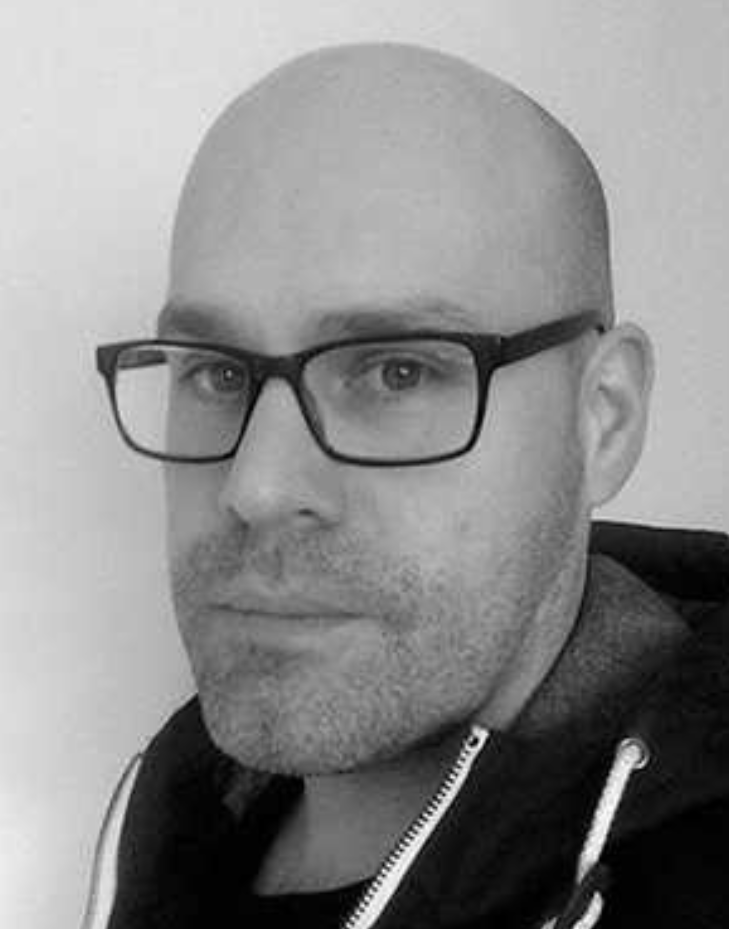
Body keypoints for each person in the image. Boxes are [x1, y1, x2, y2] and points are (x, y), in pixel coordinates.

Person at [85, 43, 729, 929]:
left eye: (395, 373)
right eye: (218, 373)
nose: (256, 486)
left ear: (602, 419)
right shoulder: (173, 807)